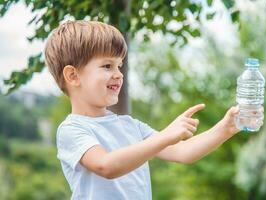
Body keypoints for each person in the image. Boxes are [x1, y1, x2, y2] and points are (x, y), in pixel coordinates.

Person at [45, 20, 242, 200]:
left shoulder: (131, 126)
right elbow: (106, 166)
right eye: (107, 66)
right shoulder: (72, 129)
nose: (118, 75)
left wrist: (226, 128)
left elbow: (183, 152)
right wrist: (166, 135)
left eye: (119, 66)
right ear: (73, 76)